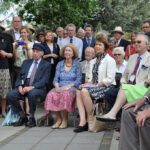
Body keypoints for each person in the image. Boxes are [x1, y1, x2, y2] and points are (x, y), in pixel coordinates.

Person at [97, 34, 150, 122]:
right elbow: (125, 75)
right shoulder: (132, 57)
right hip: (128, 87)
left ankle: (112, 114)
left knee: (123, 90)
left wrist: (131, 87)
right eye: (134, 42)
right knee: (110, 94)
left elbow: (148, 80)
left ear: (146, 44)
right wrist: (123, 82)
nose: (136, 44)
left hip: (143, 88)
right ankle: (119, 118)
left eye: (139, 42)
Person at [74, 37, 116, 133]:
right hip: (95, 86)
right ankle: (82, 121)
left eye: (100, 44)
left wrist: (96, 85)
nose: (97, 46)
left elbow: (110, 79)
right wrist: (87, 83)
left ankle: (89, 120)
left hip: (106, 87)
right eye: (96, 44)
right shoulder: (93, 61)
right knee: (79, 90)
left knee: (84, 91)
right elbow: (91, 78)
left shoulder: (110, 60)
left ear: (105, 47)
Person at [7, 43, 51, 127]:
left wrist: (31, 87)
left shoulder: (46, 65)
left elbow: (44, 80)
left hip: (38, 87)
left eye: (37, 51)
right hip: (24, 85)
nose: (35, 53)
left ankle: (31, 118)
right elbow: (20, 76)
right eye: (33, 51)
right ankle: (22, 116)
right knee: (11, 95)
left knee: (32, 94)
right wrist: (19, 86)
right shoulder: (26, 62)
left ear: (42, 53)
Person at [44, 44, 82, 129]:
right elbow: (55, 79)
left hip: (72, 87)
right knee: (50, 95)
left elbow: (78, 80)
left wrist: (67, 86)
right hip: (60, 86)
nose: (67, 52)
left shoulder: (77, 64)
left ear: (73, 53)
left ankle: (65, 120)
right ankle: (59, 119)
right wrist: (57, 87)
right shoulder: (60, 64)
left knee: (65, 94)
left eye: (69, 50)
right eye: (66, 50)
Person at [104, 47, 128, 117]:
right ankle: (118, 115)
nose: (117, 56)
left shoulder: (127, 64)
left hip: (123, 87)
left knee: (111, 93)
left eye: (119, 54)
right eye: (115, 54)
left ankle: (117, 115)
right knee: (108, 93)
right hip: (111, 86)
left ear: (123, 55)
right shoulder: (111, 65)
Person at [0, 26, 13, 117]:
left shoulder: (7, 38)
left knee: (4, 91)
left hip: (3, 67)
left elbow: (11, 54)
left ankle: (3, 111)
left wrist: (5, 54)